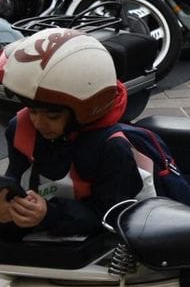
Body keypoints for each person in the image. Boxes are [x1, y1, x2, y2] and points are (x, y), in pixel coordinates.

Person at [0, 29, 154, 241]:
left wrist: (50, 215)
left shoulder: (111, 148)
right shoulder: (20, 128)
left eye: (52, 116)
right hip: (47, 238)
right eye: (32, 111)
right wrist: (8, 207)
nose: (38, 123)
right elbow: (16, 180)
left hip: (105, 244)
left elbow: (113, 217)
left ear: (86, 110)